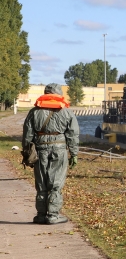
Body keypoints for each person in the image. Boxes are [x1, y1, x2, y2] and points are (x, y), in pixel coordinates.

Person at [22, 83, 79, 224]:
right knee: (56, 182)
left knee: (41, 182)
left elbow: (27, 134)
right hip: (59, 149)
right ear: (59, 94)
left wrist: (26, 152)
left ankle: (41, 215)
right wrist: (74, 153)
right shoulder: (66, 112)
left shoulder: (34, 112)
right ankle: (53, 215)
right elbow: (73, 134)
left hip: (40, 148)